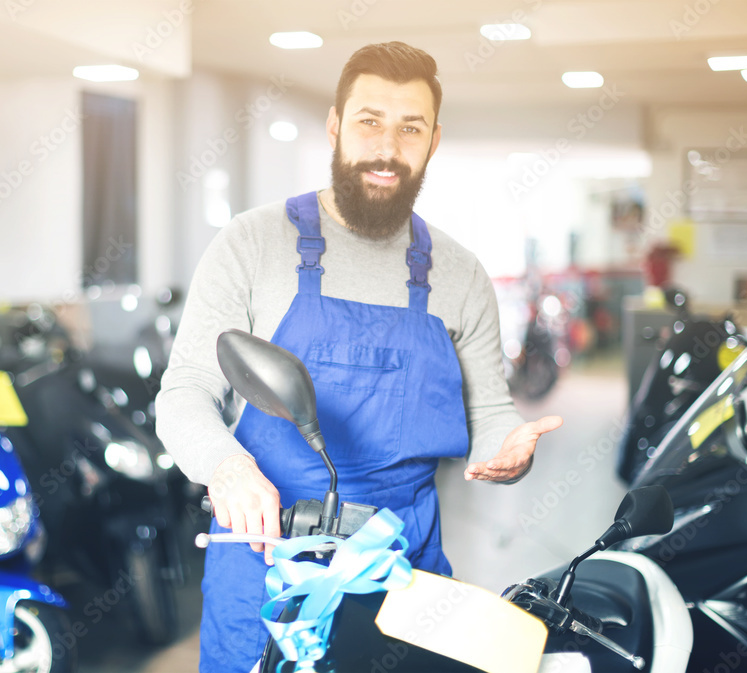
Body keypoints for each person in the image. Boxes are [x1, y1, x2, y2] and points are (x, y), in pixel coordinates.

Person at [156, 41, 563, 673]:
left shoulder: (459, 275)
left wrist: (506, 448)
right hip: (267, 558)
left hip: (402, 565)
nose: (387, 146)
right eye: (370, 120)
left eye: (410, 128)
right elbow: (184, 391)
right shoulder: (253, 243)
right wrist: (226, 468)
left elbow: (487, 411)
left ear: (432, 141)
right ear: (335, 126)